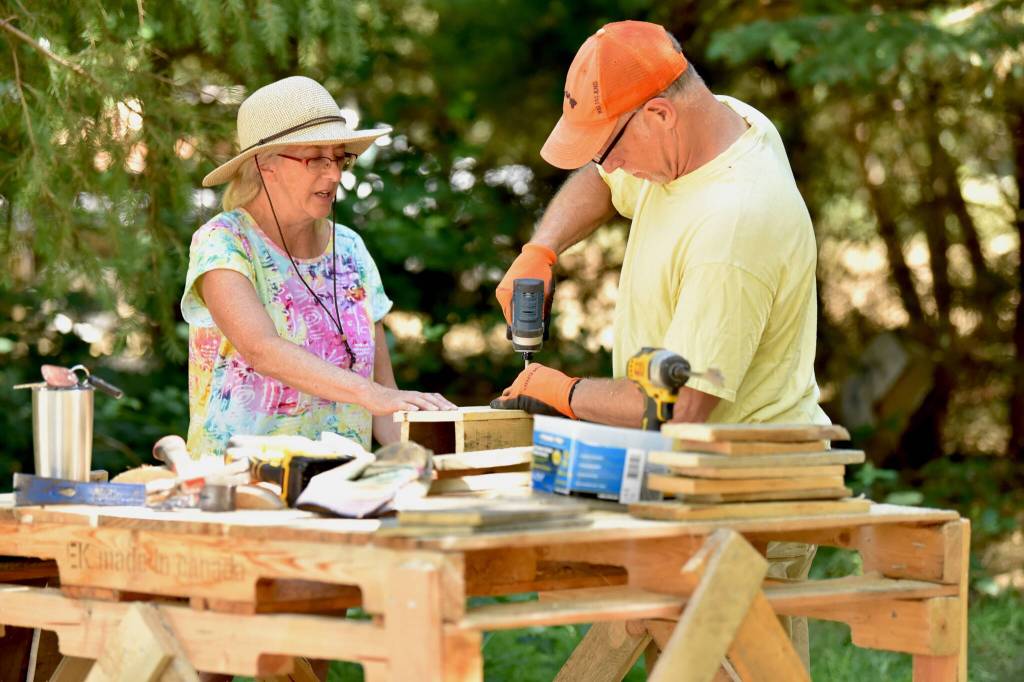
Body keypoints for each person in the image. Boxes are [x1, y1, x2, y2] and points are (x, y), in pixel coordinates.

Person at [491, 21, 827, 667]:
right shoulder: (723, 123)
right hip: (682, 477)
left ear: (661, 113)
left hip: (748, 482)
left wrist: (559, 392)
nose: (608, 163)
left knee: (736, 669)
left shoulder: (734, 225)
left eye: (611, 145)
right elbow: (601, 178)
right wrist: (543, 248)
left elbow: (681, 408)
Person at [183, 76, 456, 463]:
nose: (335, 174)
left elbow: (384, 403)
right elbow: (262, 350)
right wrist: (371, 394)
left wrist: (432, 466)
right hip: (241, 491)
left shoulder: (350, 250)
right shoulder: (223, 242)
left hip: (340, 494)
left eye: (340, 157)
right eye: (315, 158)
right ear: (264, 163)